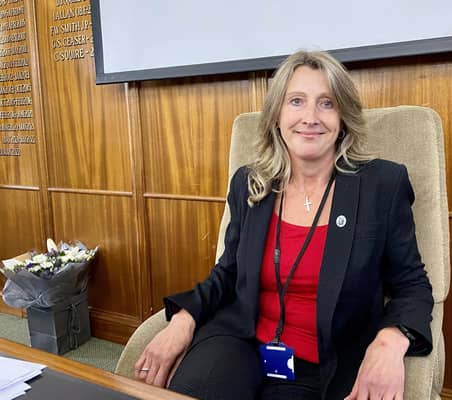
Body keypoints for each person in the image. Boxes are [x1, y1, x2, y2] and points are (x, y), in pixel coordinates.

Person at [134, 50, 433, 400]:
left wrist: (390, 339)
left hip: (324, 362)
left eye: (326, 103)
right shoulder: (250, 183)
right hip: (241, 341)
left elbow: (412, 285)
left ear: (344, 118)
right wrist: (184, 320)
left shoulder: (382, 184)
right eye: (296, 101)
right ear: (277, 114)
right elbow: (228, 272)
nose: (310, 117)